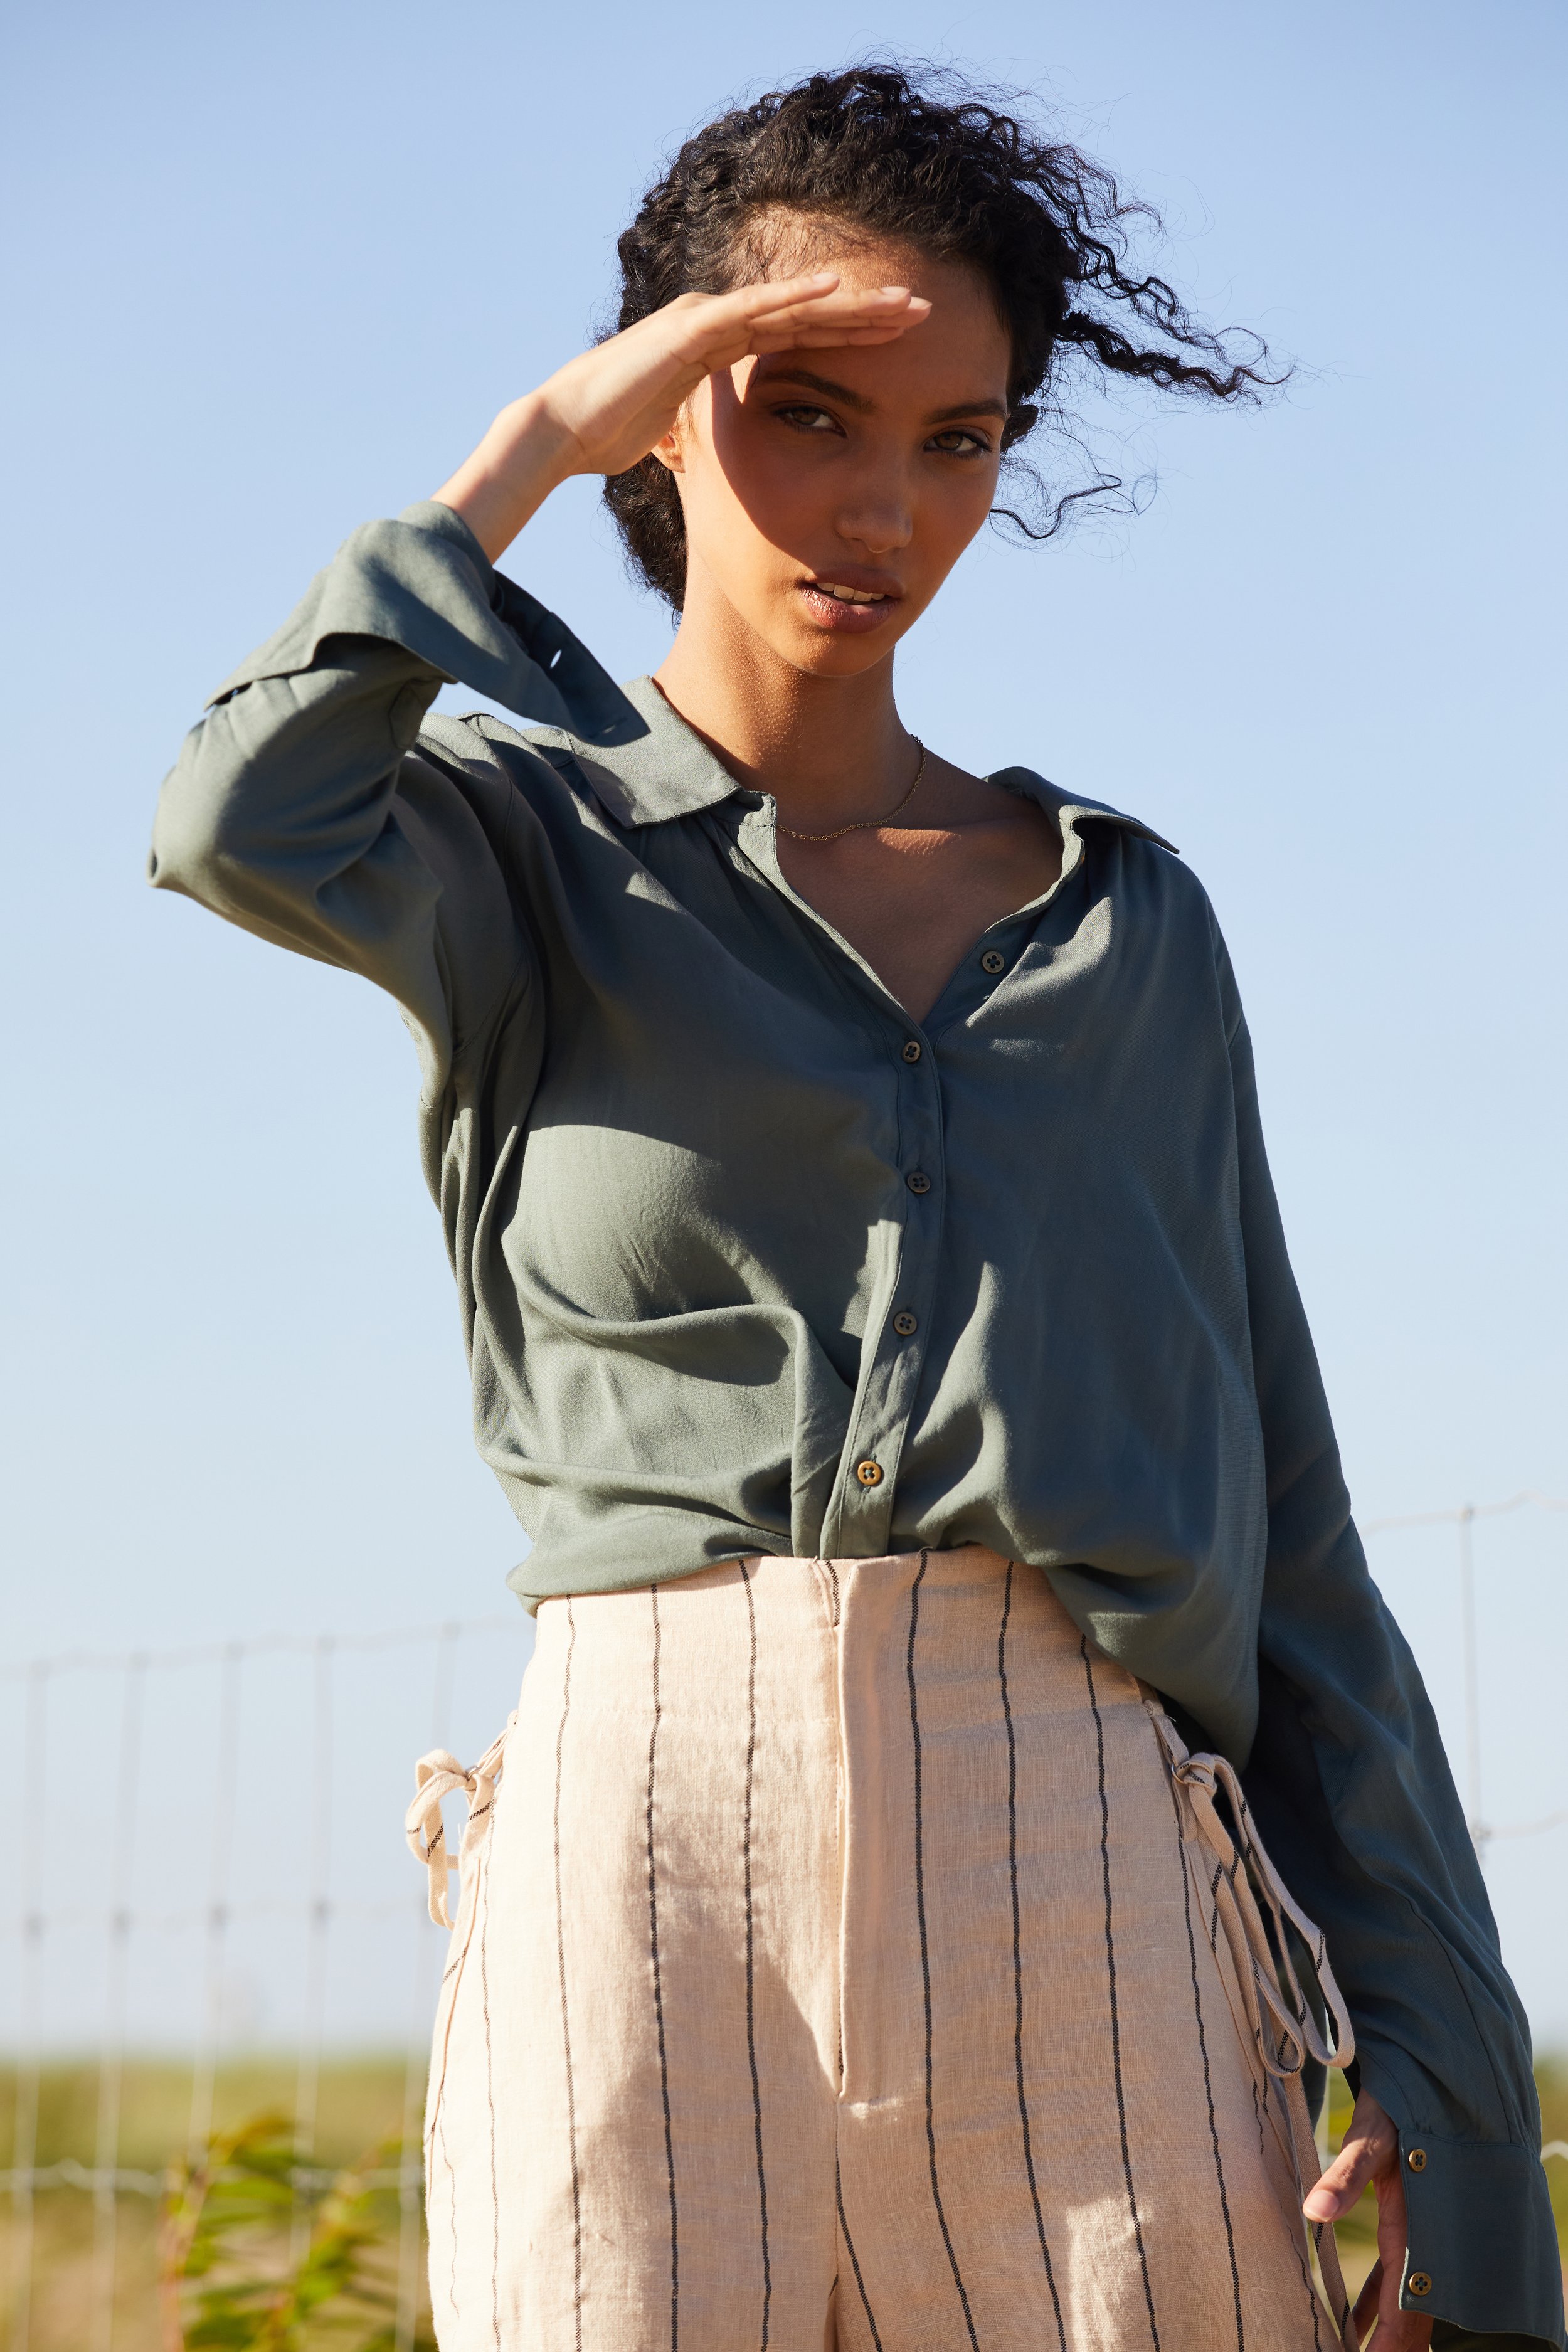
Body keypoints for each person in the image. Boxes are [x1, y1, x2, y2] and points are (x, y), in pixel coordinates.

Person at [150, 63, 1562, 2352]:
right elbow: (237, 819)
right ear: (668, 419)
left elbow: (1286, 1522)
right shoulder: (513, 855)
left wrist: (1448, 2081)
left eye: (958, 439)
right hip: (634, 1870)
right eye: (802, 410)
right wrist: (532, 436)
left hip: (1085, 1849)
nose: (881, 507)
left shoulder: (1128, 930)